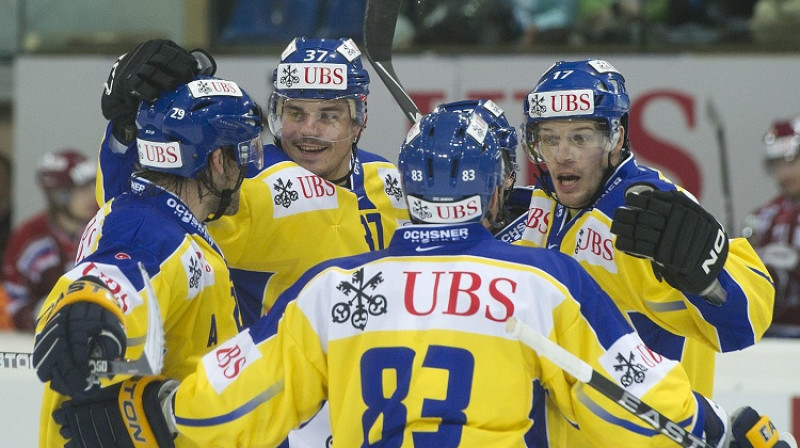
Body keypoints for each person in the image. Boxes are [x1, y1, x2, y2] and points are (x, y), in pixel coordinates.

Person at [48, 105, 796, 448]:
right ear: (497, 186)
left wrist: (148, 415)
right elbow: (636, 405)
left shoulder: (332, 288)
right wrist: (716, 431)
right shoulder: (542, 284)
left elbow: (234, 401)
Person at [93, 37, 409, 447]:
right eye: (295, 112)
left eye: (328, 115)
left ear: (358, 120)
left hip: (382, 406)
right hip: (280, 418)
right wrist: (125, 133)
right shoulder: (246, 186)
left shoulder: (389, 179)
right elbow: (139, 208)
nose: (308, 131)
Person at [495, 58, 775, 447]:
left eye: (580, 137)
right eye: (550, 138)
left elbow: (747, 319)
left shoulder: (645, 207)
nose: (563, 154)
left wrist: (709, 280)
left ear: (616, 138)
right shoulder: (547, 202)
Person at [31, 74, 264, 447]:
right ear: (219, 160)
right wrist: (90, 303)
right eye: (247, 153)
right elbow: (113, 276)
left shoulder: (155, 216)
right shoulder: (148, 229)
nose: (250, 170)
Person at [1, 149, 97, 331]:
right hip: (42, 341)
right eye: (83, 189)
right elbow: (14, 299)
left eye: (93, 186)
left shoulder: (105, 224)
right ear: (60, 195)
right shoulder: (28, 238)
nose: (92, 195)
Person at [741, 117, 800, 337]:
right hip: (768, 336)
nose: (784, 173)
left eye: (791, 161)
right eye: (776, 164)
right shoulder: (761, 218)